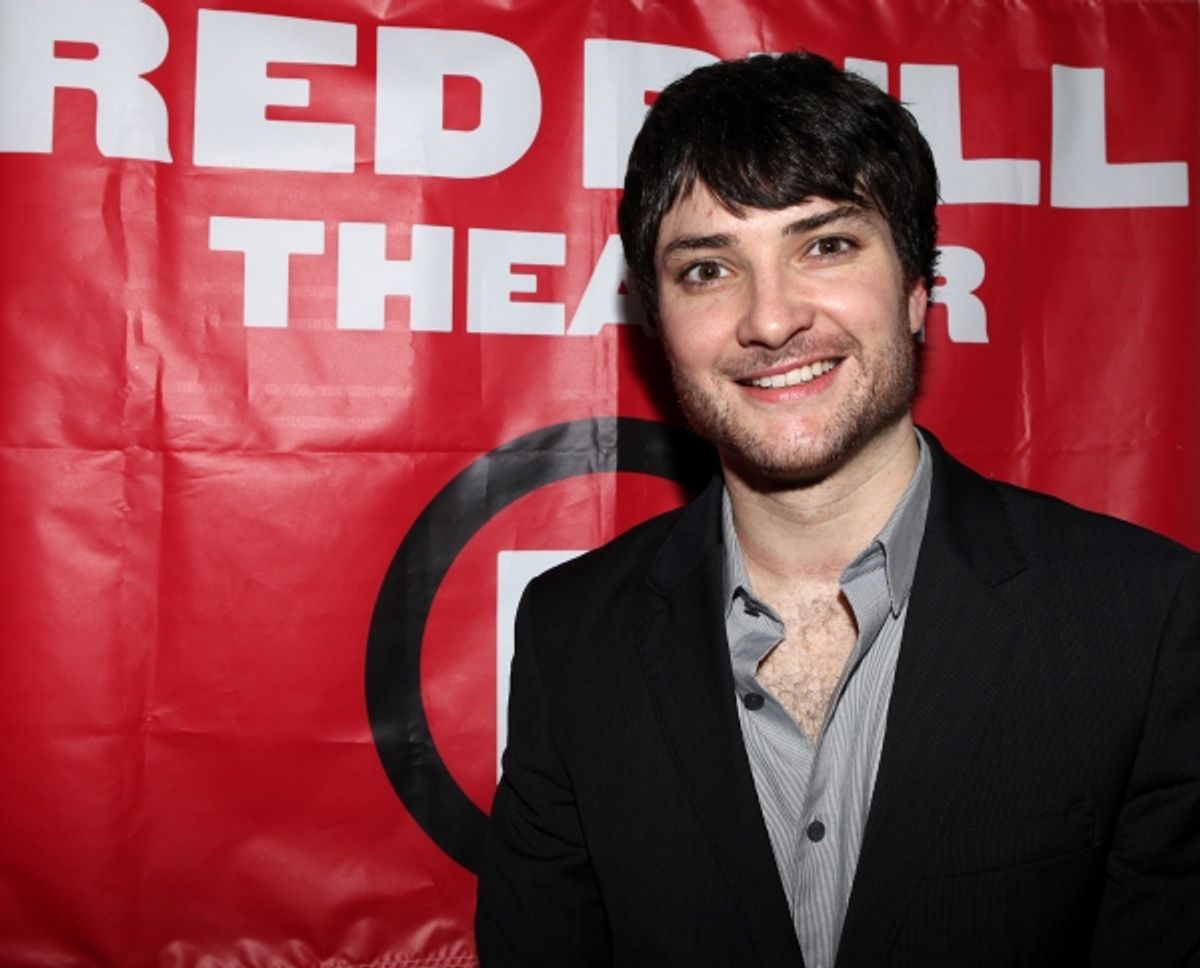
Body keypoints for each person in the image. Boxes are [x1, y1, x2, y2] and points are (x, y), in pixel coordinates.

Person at [474, 51, 1200, 968]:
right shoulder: (571, 634)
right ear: (657, 323)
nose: (771, 320)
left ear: (916, 288)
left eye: (825, 245)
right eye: (707, 268)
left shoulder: (1142, 618)